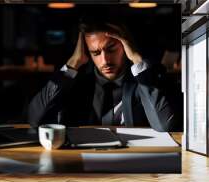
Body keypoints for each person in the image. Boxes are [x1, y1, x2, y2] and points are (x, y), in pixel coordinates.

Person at [28, 20, 182, 132]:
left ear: (124, 45)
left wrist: (135, 57)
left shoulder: (146, 78)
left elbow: (164, 126)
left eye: (111, 49)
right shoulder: (75, 83)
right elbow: (34, 120)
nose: (105, 60)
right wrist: (74, 62)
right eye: (95, 53)